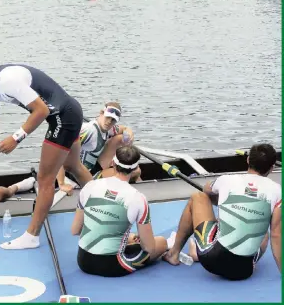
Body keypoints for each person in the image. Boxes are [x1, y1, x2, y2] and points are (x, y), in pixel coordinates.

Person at [0, 52, 93, 250]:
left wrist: (16, 138)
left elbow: (41, 110)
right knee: (72, 165)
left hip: (64, 116)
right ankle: (106, 203)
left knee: (45, 179)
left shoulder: (7, 79)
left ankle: (32, 236)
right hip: (66, 113)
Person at [163, 143, 281, 280]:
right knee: (264, 234)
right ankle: (250, 260)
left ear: (248, 160)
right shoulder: (277, 191)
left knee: (198, 197)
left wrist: (226, 200)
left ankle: (174, 254)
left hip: (212, 260)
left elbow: (206, 191)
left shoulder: (227, 179)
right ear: (272, 168)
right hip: (244, 271)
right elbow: (276, 235)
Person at [71, 145, 167, 277]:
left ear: (112, 163)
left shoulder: (90, 186)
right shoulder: (138, 198)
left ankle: (125, 239)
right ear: (135, 170)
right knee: (161, 242)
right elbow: (149, 248)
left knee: (130, 237)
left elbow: (75, 230)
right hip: (113, 266)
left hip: (83, 261)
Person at [57, 102, 138, 194]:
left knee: (119, 138)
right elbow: (59, 150)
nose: (109, 122)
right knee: (135, 172)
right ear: (101, 113)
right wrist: (61, 183)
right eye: (108, 117)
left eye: (113, 120)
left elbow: (123, 128)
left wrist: (129, 131)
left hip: (93, 168)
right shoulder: (89, 130)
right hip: (78, 175)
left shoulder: (109, 128)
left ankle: (122, 170)